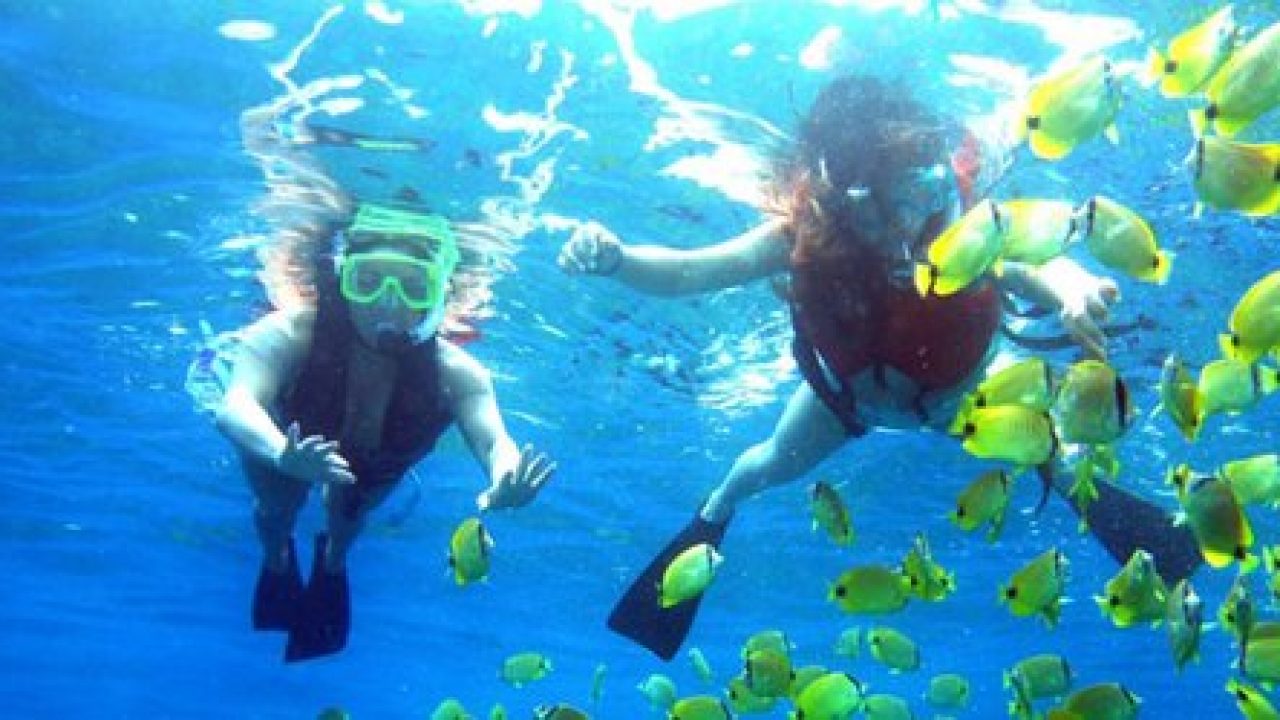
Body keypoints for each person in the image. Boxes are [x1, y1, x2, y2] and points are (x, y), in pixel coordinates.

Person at [558, 75, 1198, 660]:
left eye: (918, 195)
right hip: (847, 402)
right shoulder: (802, 236)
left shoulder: (967, 230)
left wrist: (1074, 293)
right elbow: (693, 272)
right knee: (764, 466)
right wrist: (618, 260)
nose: (903, 226)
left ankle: (1141, 535)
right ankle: (715, 511)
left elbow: (1039, 261)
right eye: (877, 208)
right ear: (839, 199)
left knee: (1052, 456)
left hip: (963, 400)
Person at [205, 103, 555, 663]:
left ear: (439, 296)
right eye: (368, 281)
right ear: (343, 279)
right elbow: (236, 404)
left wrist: (503, 477)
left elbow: (494, 439)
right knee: (276, 509)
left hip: (376, 457)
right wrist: (280, 452)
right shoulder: (291, 331)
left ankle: (333, 561)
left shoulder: (457, 372)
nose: (388, 303)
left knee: (350, 517)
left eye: (413, 287)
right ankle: (276, 557)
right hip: (287, 446)